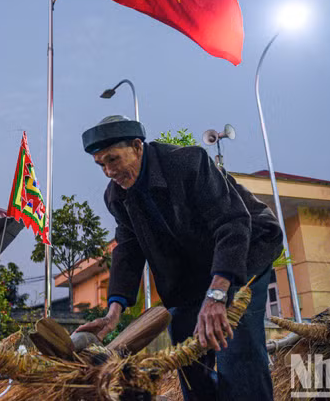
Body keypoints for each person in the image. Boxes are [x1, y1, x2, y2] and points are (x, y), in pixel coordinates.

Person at [76, 115, 283, 401]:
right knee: (188, 358)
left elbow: (232, 223)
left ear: (137, 146)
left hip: (246, 249)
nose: (109, 171)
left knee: (233, 344)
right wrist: (112, 314)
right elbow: (128, 248)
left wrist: (217, 295)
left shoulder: (187, 162)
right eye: (101, 164)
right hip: (193, 271)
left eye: (113, 159)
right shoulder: (117, 196)